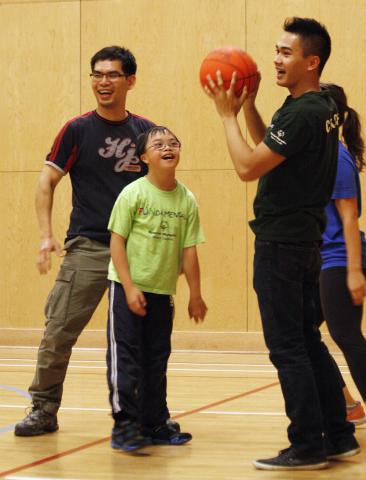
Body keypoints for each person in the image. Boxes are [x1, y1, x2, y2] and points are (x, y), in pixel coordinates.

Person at [203, 17, 360, 470]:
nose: (275, 58)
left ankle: (307, 444)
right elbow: (269, 149)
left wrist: (227, 115)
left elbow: (249, 167)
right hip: (305, 241)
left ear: (312, 62)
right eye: (275, 50)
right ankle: (340, 434)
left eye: (286, 53)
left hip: (282, 243)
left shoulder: (303, 112)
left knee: (287, 345)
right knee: (308, 340)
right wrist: (251, 105)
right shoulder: (323, 104)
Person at [14, 46, 158, 436]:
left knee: (138, 340)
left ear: (130, 81)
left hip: (137, 252)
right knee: (58, 330)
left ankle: (142, 414)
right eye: (97, 75)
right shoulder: (77, 129)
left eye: (112, 75)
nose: (103, 82)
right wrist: (45, 235)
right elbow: (46, 181)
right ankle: (43, 409)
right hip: (89, 248)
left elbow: (163, 190)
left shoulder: (147, 133)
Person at [106, 125, 207, 452]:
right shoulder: (133, 193)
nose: (168, 147)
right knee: (128, 357)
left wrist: (195, 293)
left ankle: (153, 422)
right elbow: (116, 242)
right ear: (144, 157)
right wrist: (130, 286)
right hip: (127, 290)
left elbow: (189, 250)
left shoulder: (186, 199)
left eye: (173, 143)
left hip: (162, 294)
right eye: (159, 143)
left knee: (156, 358)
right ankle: (125, 425)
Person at [319, 82, 366, 424]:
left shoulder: (336, 156)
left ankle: (350, 405)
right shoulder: (318, 153)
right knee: (303, 335)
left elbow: (349, 216)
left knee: (346, 336)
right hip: (321, 260)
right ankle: (347, 404)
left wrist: (353, 270)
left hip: (339, 259)